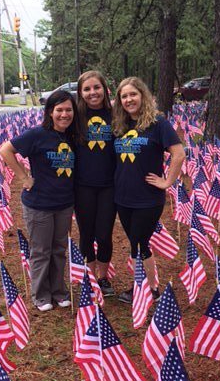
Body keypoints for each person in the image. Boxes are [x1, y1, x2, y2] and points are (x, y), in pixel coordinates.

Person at [0, 90, 81, 312]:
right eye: (59, 110)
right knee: (41, 251)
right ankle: (41, 295)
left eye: (68, 110)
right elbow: (5, 150)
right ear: (50, 112)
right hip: (39, 204)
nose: (64, 114)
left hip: (64, 203)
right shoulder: (37, 134)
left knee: (59, 249)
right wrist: (24, 177)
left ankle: (59, 291)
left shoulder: (72, 136)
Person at [112, 77, 185, 303]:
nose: (128, 99)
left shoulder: (157, 123)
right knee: (138, 243)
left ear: (143, 95)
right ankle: (148, 287)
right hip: (122, 197)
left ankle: (148, 289)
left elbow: (178, 153)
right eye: (124, 96)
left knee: (139, 243)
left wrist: (167, 182)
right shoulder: (120, 125)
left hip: (147, 198)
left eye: (133, 94)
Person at [75, 70, 116, 296]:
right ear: (81, 93)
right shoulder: (75, 117)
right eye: (87, 89)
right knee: (86, 234)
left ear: (104, 89)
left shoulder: (116, 115)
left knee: (104, 234)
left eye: (96, 88)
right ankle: (89, 279)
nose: (93, 93)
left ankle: (103, 277)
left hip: (109, 185)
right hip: (82, 186)